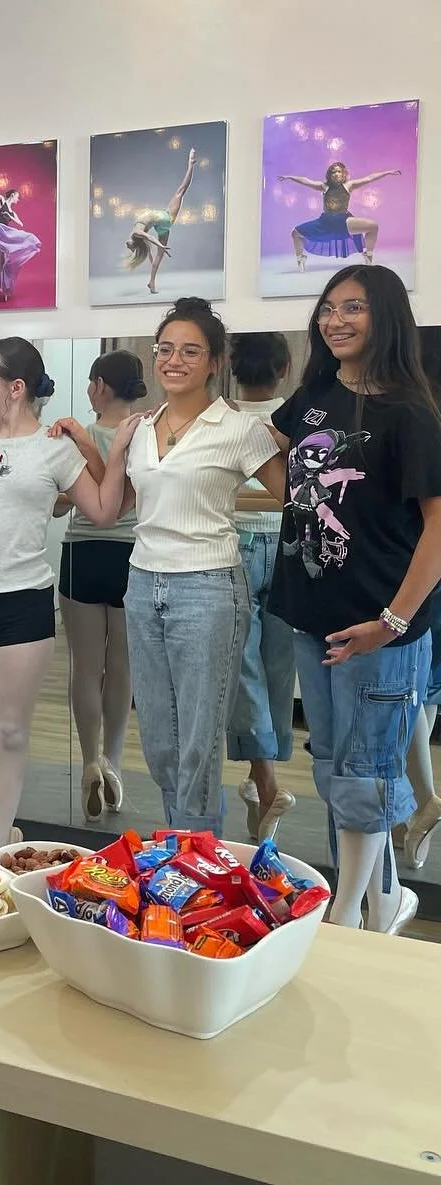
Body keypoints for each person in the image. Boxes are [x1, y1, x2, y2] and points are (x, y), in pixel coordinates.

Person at [66, 298, 287, 837]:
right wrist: (101, 449)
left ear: (214, 362)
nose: (174, 360)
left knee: (198, 742)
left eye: (190, 351)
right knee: (160, 742)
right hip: (143, 585)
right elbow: (115, 508)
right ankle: (185, 846)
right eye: (165, 349)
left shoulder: (238, 428)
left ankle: (193, 857)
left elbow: (293, 497)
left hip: (208, 589)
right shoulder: (140, 428)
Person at [268, 266, 441, 932]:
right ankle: (386, 898)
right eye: (328, 308)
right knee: (337, 768)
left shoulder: (411, 412)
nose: (335, 320)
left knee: (367, 772)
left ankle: (346, 916)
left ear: (386, 316)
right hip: (314, 619)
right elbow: (281, 466)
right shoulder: (315, 394)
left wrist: (392, 622)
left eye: (354, 308)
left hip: (379, 629)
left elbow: (438, 526)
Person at [0, 338, 116, 857]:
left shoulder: (54, 448)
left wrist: (97, 445)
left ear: (15, 388)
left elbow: (104, 512)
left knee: (10, 730)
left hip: (23, 604)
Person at [57, 349, 147, 822]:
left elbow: (58, 504)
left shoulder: (78, 437)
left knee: (86, 669)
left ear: (98, 386)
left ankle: (89, 759)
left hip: (83, 553)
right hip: (133, 554)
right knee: (122, 669)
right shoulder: (146, 433)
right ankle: (112, 762)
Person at [223, 332, 299, 842]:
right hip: (292, 548)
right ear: (285, 367)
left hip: (239, 546)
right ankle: (264, 780)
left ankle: (263, 779)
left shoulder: (224, 419)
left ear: (231, 367)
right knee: (278, 667)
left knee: (243, 665)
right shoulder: (297, 418)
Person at [396, 326, 441, 870]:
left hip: (416, 570)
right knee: (423, 688)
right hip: (423, 569)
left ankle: (421, 799)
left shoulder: (413, 415)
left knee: (408, 687)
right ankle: (416, 803)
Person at [277, 162, 402, 271]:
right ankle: (300, 258)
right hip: (325, 223)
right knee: (295, 233)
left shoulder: (349, 185)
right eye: (333, 172)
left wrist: (387, 173)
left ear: (343, 174)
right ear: (329, 175)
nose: (336, 174)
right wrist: (290, 177)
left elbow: (369, 178)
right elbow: (306, 181)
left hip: (344, 222)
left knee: (373, 226)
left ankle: (368, 256)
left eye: (339, 171)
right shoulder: (324, 186)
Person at [123, 147, 195, 296]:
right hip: (166, 218)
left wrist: (157, 252)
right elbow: (149, 237)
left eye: (130, 248)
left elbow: (148, 245)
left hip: (162, 224)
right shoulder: (136, 233)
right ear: (134, 242)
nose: (129, 248)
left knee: (158, 257)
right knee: (181, 191)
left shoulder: (135, 231)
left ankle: (152, 283)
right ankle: (191, 163)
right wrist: (160, 245)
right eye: (132, 249)